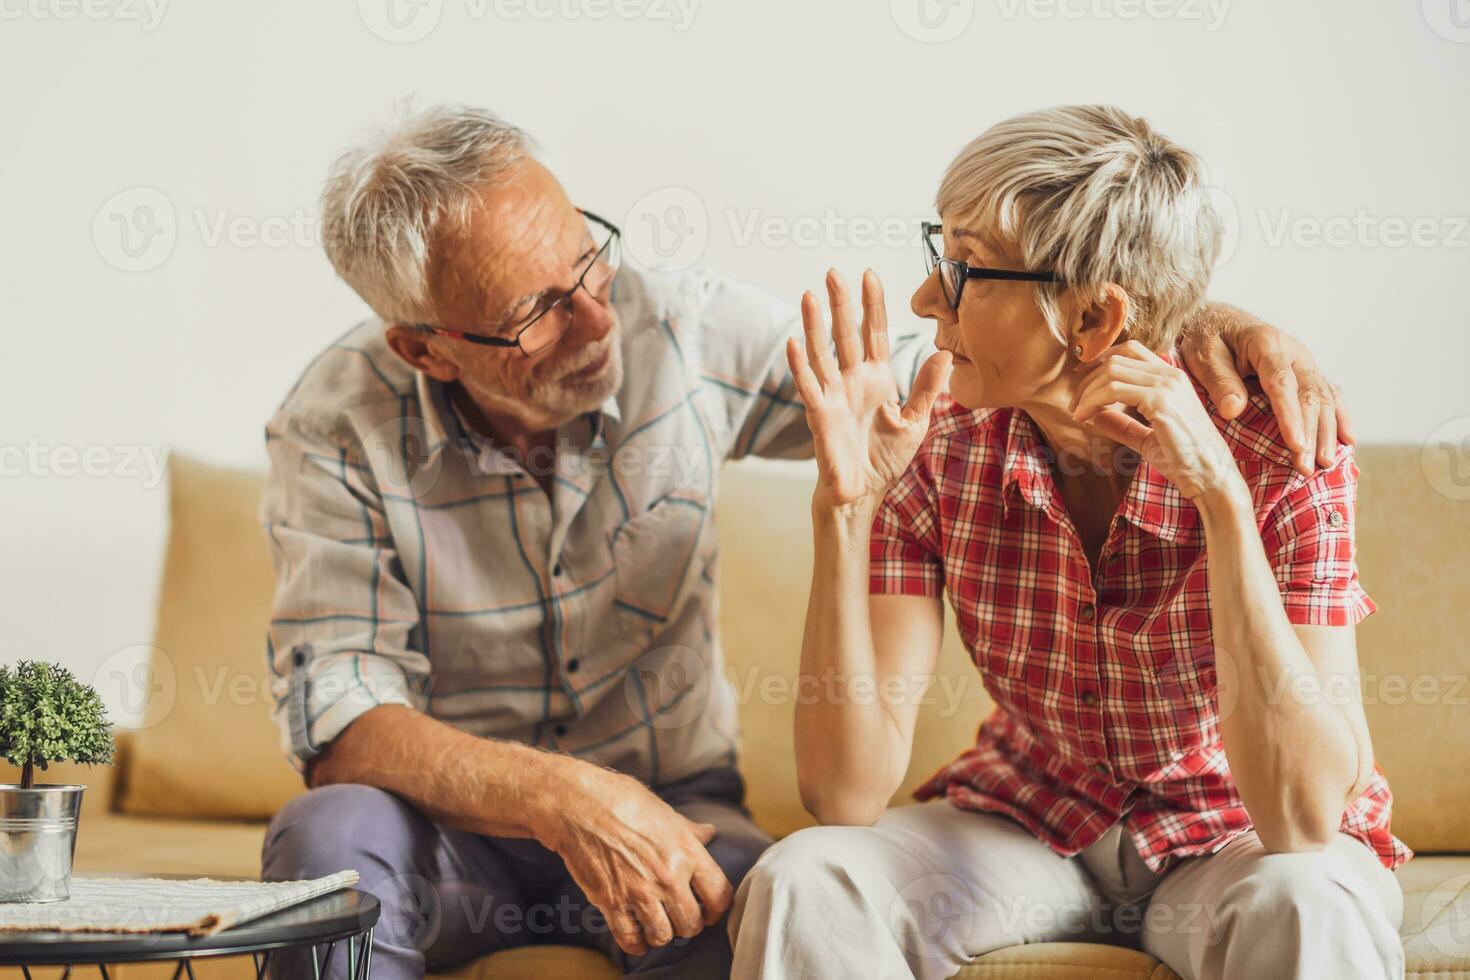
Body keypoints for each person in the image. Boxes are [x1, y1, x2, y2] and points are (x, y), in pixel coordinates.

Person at [258, 103, 1357, 979]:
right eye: (538, 308)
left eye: (590, 258)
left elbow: (947, 366)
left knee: (739, 885)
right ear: (426, 346)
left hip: (680, 813)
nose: (599, 315)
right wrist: (565, 795)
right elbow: (341, 715)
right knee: (329, 838)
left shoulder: (678, 329)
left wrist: (1205, 323)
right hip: (459, 825)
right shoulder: (336, 421)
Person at [727, 105, 1408, 980]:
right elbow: (843, 795)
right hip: (1032, 822)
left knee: (1308, 900)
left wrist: (1223, 504)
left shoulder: (1284, 447)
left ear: (1093, 321)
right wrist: (843, 510)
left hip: (1234, 834)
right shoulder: (937, 439)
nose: (927, 297)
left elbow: (1304, 821)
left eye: (966, 267)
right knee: (804, 879)